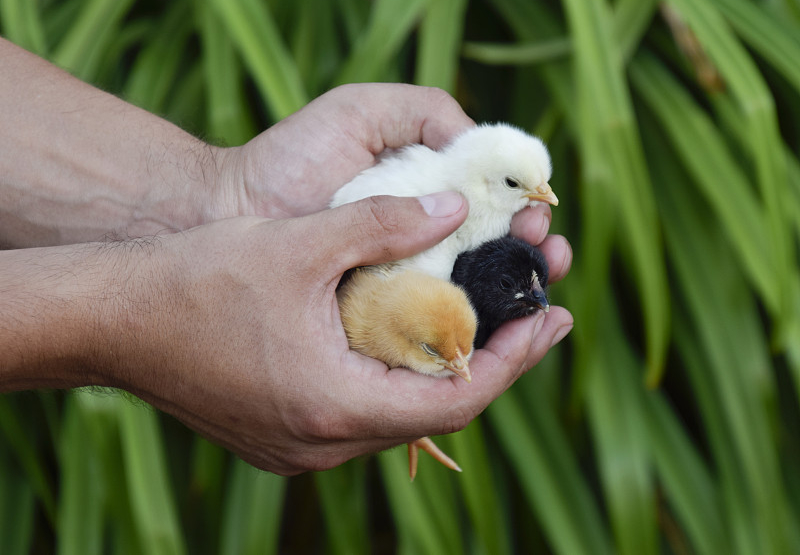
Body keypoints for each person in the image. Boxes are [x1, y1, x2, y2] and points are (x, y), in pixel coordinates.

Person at [0, 36, 573, 475]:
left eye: (537, 186)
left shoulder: (468, 205)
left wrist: (221, 196)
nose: (542, 200)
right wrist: (153, 312)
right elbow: (372, 297)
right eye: (523, 186)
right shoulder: (436, 211)